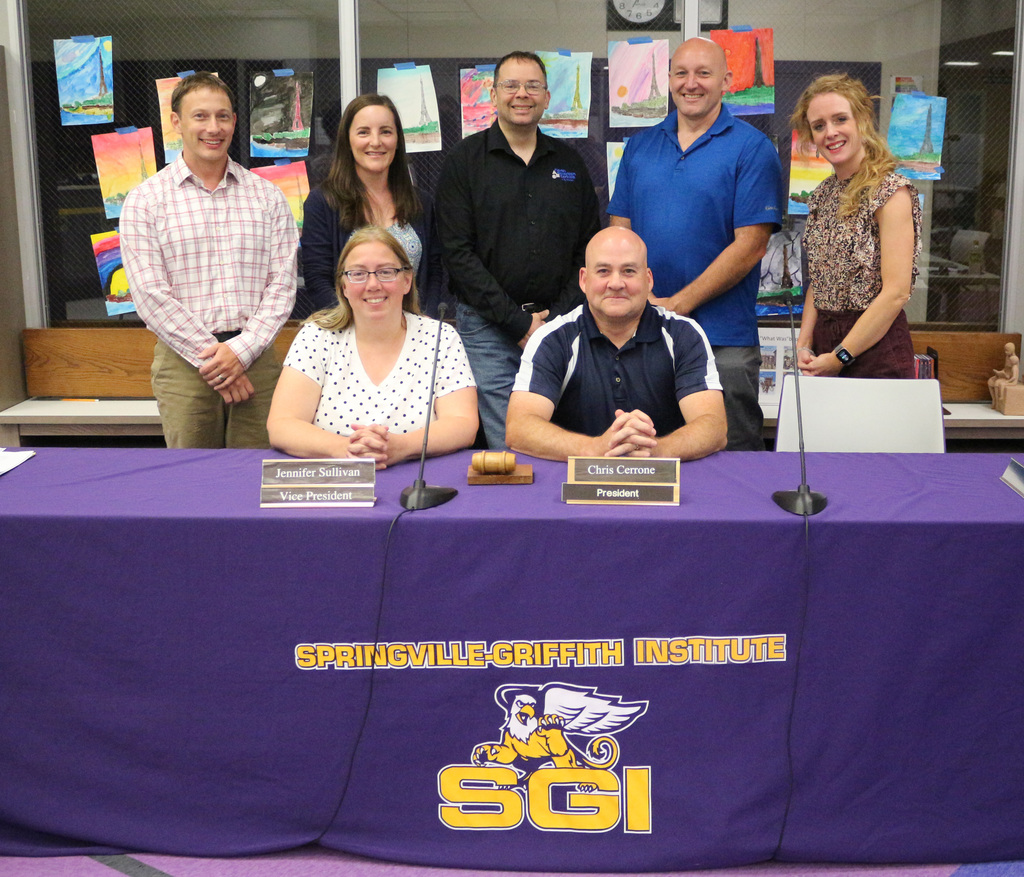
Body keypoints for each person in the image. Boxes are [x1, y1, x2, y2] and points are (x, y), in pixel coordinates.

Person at [607, 37, 782, 452]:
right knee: (648, 450)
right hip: (644, 331)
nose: (692, 83)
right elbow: (619, 238)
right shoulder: (640, 146)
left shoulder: (753, 149)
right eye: (681, 73)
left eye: (704, 73)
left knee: (732, 450)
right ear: (668, 79)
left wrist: (678, 303)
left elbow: (752, 245)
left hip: (724, 338)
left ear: (727, 80)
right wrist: (644, 302)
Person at [121, 72, 298, 449]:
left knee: (258, 480)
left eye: (222, 116)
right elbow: (150, 294)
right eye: (200, 116)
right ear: (176, 123)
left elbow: (281, 286)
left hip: (258, 361)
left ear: (234, 121)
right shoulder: (145, 201)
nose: (212, 127)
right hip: (184, 365)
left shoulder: (267, 197)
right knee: (192, 485)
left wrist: (241, 350)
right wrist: (220, 363)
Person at [436, 50, 601, 450]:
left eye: (532, 86)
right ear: (493, 95)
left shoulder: (572, 163)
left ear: (547, 97)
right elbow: (458, 255)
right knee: (507, 442)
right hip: (487, 329)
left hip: (560, 326)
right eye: (510, 85)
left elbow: (588, 251)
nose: (521, 94)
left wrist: (552, 321)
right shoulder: (464, 162)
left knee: (562, 435)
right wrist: (519, 324)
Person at [506, 227, 726, 462]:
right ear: (584, 279)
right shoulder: (551, 338)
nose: (616, 283)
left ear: (648, 279)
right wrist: (596, 449)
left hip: (667, 484)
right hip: (573, 487)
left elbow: (713, 427)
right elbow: (519, 428)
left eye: (629, 271)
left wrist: (656, 450)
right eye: (603, 271)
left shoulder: (684, 334)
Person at [267, 227, 478, 466]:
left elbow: (463, 423)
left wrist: (401, 447)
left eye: (386, 272)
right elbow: (282, 425)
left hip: (420, 485)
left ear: (407, 281)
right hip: (335, 484)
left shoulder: (441, 337)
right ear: (344, 286)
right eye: (358, 274)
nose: (373, 284)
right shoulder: (316, 337)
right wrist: (348, 449)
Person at [791, 73, 922, 379]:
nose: (830, 133)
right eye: (819, 126)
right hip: (826, 344)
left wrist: (841, 355)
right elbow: (820, 280)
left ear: (862, 120)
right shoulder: (822, 194)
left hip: (877, 349)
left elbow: (896, 293)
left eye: (840, 119)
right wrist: (804, 342)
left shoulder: (890, 191)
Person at [301, 94, 443, 316]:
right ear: (347, 140)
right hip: (348, 335)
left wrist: (423, 325)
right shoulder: (322, 203)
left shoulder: (421, 202)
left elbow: (435, 273)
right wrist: (355, 328)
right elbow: (318, 280)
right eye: (363, 132)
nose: (376, 142)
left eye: (386, 131)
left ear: (397, 139)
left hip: (414, 335)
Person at [989, 342, 1020, 409]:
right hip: (1004, 375)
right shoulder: (1007, 357)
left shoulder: (1014, 361)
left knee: (997, 383)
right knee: (990, 381)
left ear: (1012, 350)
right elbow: (1005, 369)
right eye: (1005, 350)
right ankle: (994, 400)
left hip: (1008, 378)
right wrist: (999, 372)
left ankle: (998, 403)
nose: (1005, 352)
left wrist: (1007, 378)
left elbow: (1013, 375)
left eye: (1007, 350)